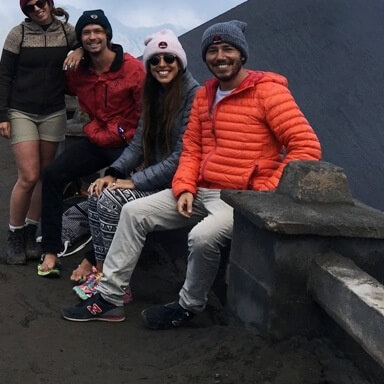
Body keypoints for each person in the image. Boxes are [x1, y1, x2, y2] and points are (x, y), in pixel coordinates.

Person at [62, 19, 322, 325]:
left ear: (242, 54)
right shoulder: (206, 96)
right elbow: (192, 148)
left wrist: (265, 188)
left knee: (201, 237)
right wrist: (184, 185)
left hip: (241, 197)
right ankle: (110, 297)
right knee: (133, 212)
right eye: (213, 51)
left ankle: (189, 306)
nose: (220, 56)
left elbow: (306, 147)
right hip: (198, 189)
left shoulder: (268, 93)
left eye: (228, 49)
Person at [68, 29, 200, 297]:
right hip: (155, 175)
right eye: (155, 60)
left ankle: (119, 284)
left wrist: (133, 181)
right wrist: (114, 172)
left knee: (110, 200)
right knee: (98, 191)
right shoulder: (154, 93)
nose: (162, 65)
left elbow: (181, 156)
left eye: (169, 59)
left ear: (180, 62)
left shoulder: (192, 96)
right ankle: (103, 272)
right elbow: (140, 140)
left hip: (178, 183)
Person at [36, 10, 145, 277]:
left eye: (98, 31)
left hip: (127, 145)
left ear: (108, 34)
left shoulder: (133, 70)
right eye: (86, 33)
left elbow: (147, 117)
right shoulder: (78, 71)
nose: (93, 37)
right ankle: (51, 250)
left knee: (110, 193)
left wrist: (141, 156)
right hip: (97, 140)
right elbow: (51, 78)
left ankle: (92, 259)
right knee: (52, 175)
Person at [0, 0, 76, 264]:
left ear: (50, 2)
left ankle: (31, 232)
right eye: (30, 7)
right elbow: (4, 75)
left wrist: (78, 52)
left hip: (53, 111)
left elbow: (97, 42)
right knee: (28, 175)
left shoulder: (68, 32)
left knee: (44, 174)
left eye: (41, 3)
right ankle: (14, 234)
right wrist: (1, 115)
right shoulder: (18, 34)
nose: (37, 10)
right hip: (22, 111)